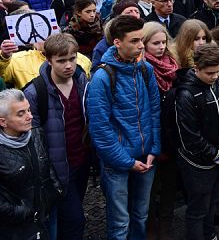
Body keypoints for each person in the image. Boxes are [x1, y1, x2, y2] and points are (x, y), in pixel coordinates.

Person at [87, 15, 161, 240]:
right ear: (117, 42)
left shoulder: (145, 69)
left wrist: (153, 149)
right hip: (117, 162)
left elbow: (154, 112)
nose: (141, 46)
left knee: (140, 215)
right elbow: (100, 128)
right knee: (119, 224)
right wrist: (126, 161)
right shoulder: (102, 77)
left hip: (146, 157)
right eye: (134, 41)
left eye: (142, 40)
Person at [22, 34, 89, 240]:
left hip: (81, 162)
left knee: (65, 218)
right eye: (61, 61)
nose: (68, 65)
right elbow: (32, 139)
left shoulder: (81, 80)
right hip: (56, 171)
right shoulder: (35, 92)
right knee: (75, 221)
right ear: (48, 60)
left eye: (72, 58)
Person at [174, 43, 219, 240]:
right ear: (196, 68)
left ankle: (210, 234)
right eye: (210, 73)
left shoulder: (215, 83)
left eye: (218, 72)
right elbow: (190, 137)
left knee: (212, 202)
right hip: (197, 163)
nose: (215, 77)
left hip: (217, 156)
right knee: (198, 209)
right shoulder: (186, 94)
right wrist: (218, 155)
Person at [0, 89, 63, 240]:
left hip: (46, 213)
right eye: (21, 114)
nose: (30, 116)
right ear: (3, 121)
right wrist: (20, 211)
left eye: (28, 110)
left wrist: (55, 192)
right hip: (17, 226)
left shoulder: (36, 133)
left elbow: (47, 164)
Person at [141, 22, 179, 239]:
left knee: (170, 186)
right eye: (155, 43)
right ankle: (150, 225)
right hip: (151, 136)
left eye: (163, 42)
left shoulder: (171, 64)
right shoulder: (143, 69)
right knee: (150, 188)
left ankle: (166, 224)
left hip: (172, 135)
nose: (161, 47)